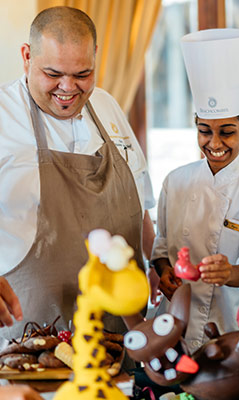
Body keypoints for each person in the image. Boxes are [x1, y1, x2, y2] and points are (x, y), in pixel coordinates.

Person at [0, 6, 156, 338]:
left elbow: (139, 198)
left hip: (121, 332)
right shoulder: (3, 115)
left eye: (83, 74)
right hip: (28, 333)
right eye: (53, 74)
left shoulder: (107, 105)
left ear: (96, 56)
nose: (68, 88)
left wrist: (156, 263)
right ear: (27, 57)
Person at [151, 28, 239, 353]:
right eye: (204, 131)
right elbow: (161, 246)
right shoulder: (175, 181)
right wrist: (165, 272)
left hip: (233, 328)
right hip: (175, 325)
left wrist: (229, 272)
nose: (215, 143)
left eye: (227, 132)